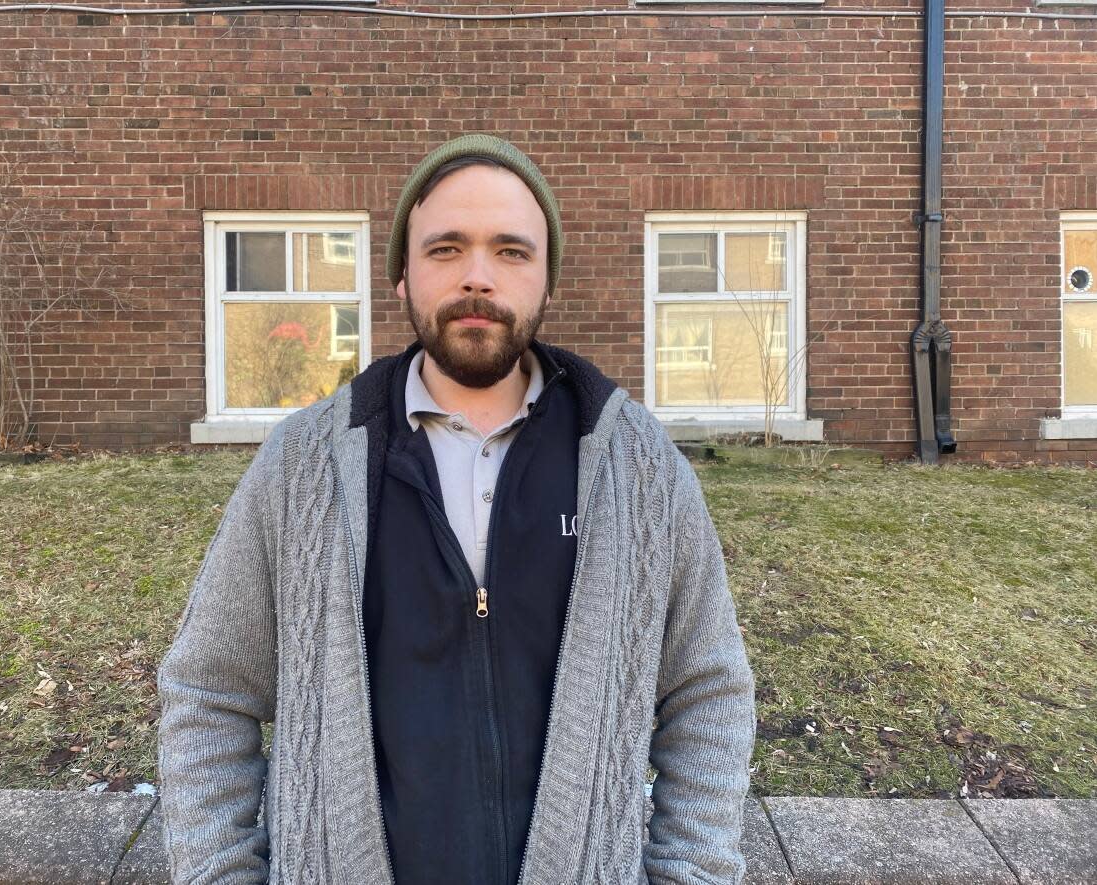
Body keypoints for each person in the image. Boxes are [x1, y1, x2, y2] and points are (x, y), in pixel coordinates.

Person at [156, 133, 757, 885]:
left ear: (547, 279)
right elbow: (210, 689)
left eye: (511, 251)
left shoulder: (640, 470)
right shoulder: (302, 466)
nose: (478, 277)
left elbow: (708, 690)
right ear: (401, 277)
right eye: (446, 249)